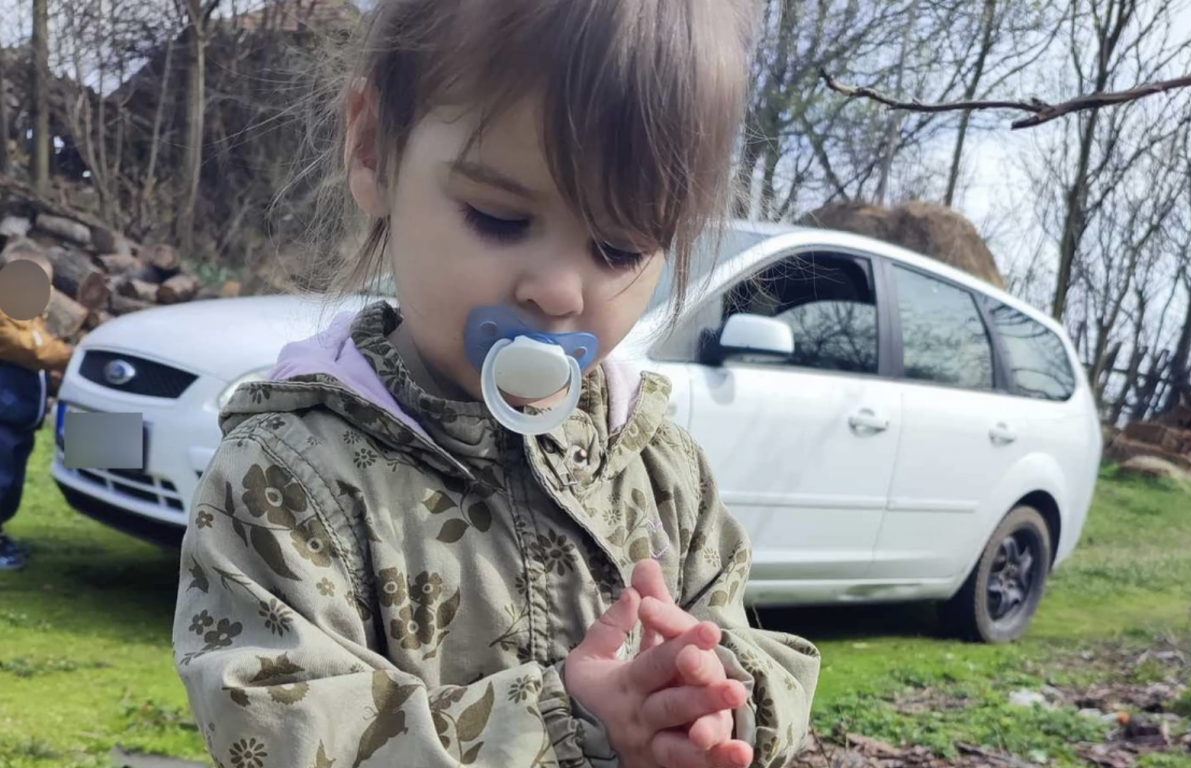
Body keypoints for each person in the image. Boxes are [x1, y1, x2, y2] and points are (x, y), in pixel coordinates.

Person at [171, 1, 821, 767]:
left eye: (617, 248)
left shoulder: (662, 472)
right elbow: (278, 725)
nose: (557, 291)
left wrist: (708, 702)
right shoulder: (289, 474)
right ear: (375, 147)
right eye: (499, 217)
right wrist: (561, 726)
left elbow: (748, 640)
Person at [0, 255, 73, 571]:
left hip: (20, 421)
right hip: (3, 418)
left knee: (11, 483)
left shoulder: (31, 320)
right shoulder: (5, 321)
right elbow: (34, 350)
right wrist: (73, 353)